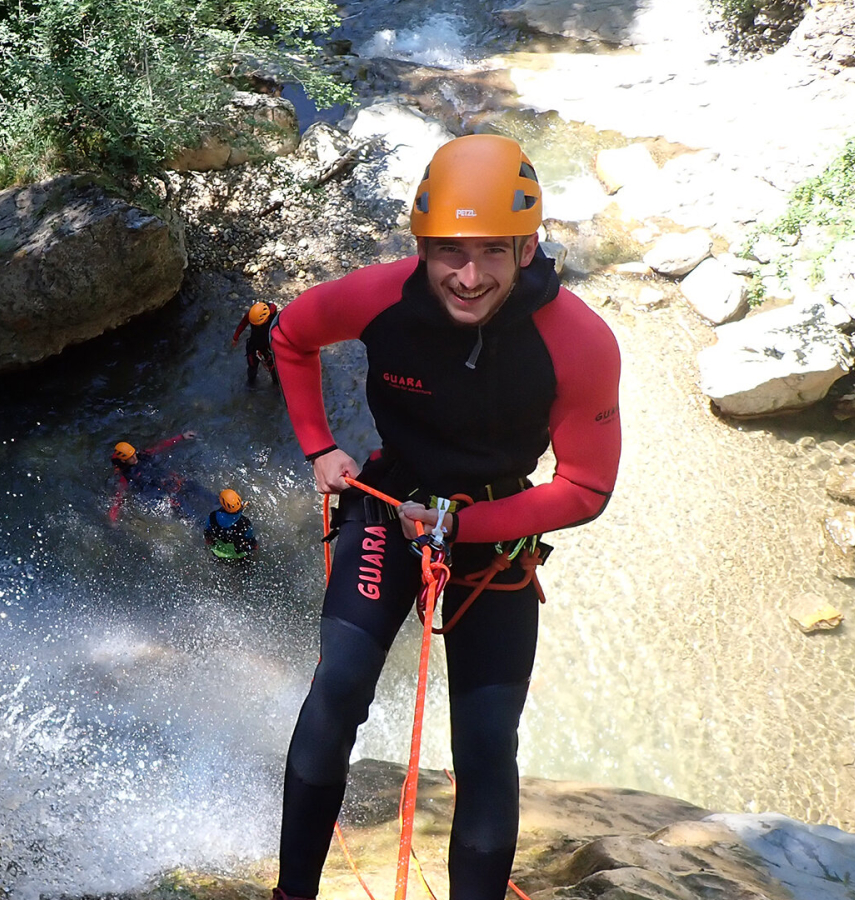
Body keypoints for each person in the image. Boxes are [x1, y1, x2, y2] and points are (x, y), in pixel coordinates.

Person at [266, 134, 622, 900]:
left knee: (487, 746)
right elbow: (290, 335)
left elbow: (588, 488)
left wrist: (463, 530)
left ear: (528, 247)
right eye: (448, 252)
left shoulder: (578, 340)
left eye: (493, 250)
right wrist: (319, 447)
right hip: (391, 502)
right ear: (421, 247)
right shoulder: (384, 295)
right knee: (338, 690)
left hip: (496, 529)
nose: (468, 276)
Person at [108, 432, 208, 523]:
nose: (135, 458)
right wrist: (113, 519)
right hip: (161, 493)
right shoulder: (124, 476)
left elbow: (161, 446)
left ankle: (219, 504)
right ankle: (204, 525)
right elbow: (118, 498)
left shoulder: (143, 455)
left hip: (169, 480)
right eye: (130, 458)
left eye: (134, 454)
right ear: (123, 461)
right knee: (187, 511)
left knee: (195, 488)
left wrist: (181, 437)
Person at [231, 301, 281, 387]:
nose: (256, 326)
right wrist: (235, 338)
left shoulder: (273, 314)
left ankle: (276, 389)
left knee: (274, 371)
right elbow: (243, 323)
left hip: (269, 348)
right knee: (252, 369)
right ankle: (250, 386)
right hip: (254, 346)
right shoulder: (253, 314)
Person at [203, 489, 259, 561]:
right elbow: (250, 539)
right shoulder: (245, 522)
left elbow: (207, 533)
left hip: (218, 552)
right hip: (239, 554)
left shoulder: (212, 517)